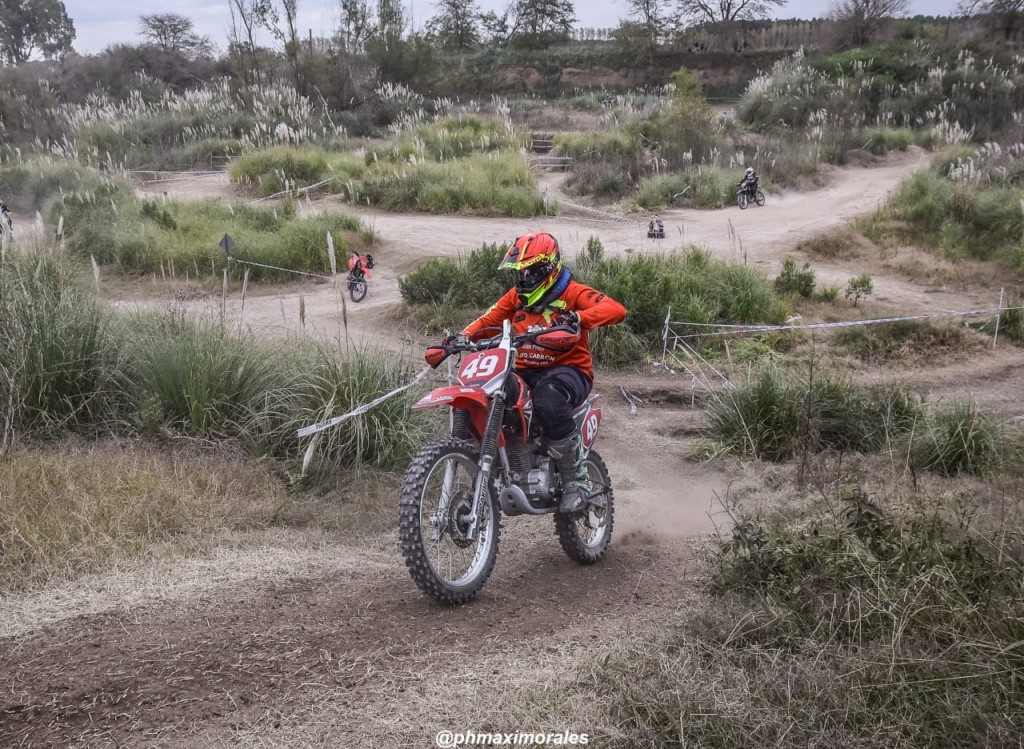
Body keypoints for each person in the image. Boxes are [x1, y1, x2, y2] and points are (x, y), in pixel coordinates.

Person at [457, 231, 626, 514]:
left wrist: (579, 318)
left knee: (548, 398)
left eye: (530, 273)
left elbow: (616, 309)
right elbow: (489, 319)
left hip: (569, 370)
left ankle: (576, 481)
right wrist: (462, 337)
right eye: (519, 274)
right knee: (491, 392)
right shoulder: (515, 298)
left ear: (549, 269)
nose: (523, 281)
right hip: (523, 369)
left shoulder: (573, 293)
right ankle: (502, 461)